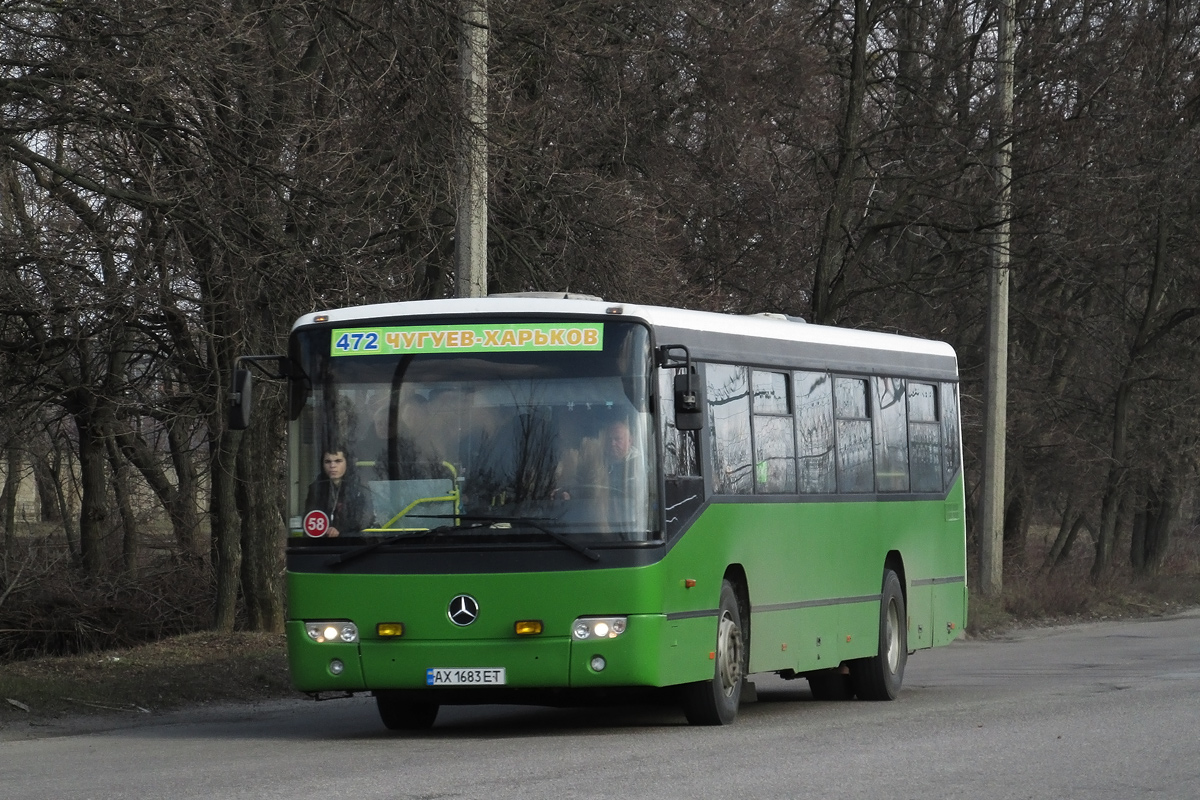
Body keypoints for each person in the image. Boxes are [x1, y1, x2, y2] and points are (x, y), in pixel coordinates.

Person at [304, 447, 375, 537]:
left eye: (338, 461)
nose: (332, 466)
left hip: (353, 543)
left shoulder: (359, 488)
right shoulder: (316, 488)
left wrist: (341, 531)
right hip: (321, 544)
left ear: (347, 463)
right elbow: (309, 517)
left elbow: (365, 519)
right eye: (328, 462)